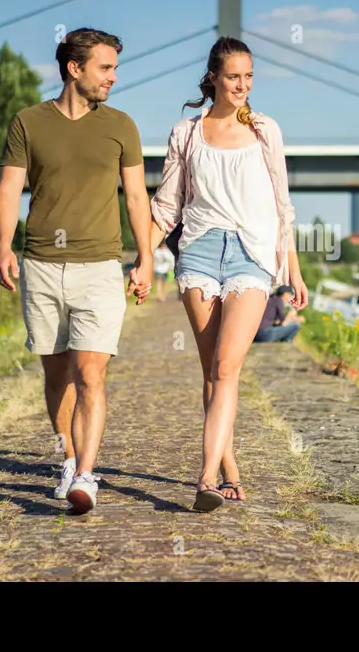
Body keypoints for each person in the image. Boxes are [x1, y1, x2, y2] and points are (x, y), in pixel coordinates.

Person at [130, 36, 308, 512]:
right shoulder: (186, 133)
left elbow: (282, 206)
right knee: (212, 373)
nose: (242, 86)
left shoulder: (267, 130)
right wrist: (143, 261)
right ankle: (228, 468)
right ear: (213, 77)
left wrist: (294, 269)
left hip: (252, 256)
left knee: (228, 367)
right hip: (200, 254)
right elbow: (166, 207)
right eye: (233, 76)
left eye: (249, 77)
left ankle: (205, 478)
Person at [0, 27, 153, 515]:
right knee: (56, 373)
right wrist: (4, 245)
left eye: (114, 68)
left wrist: (145, 257)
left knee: (91, 373)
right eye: (106, 68)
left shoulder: (121, 126)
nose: (113, 78)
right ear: (74, 68)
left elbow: (136, 195)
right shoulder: (29, 122)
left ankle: (86, 473)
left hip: (101, 266)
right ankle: (67, 456)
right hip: (41, 264)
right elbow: (8, 187)